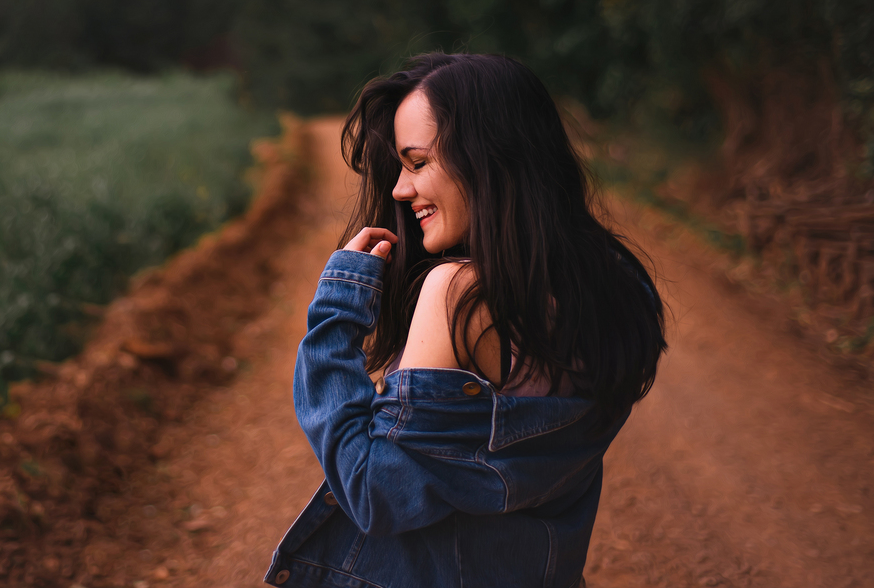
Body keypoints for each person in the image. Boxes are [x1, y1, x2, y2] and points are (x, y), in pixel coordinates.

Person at [264, 53, 666, 588]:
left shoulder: (458, 293)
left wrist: (338, 306)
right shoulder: (618, 285)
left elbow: (374, 492)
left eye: (418, 162)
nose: (399, 191)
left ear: (488, 157)